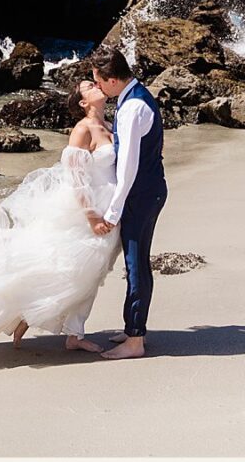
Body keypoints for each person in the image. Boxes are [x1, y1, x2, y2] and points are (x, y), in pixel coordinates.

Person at [0, 87, 120, 351]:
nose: (97, 87)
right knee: (65, 268)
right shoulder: (82, 130)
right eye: (89, 87)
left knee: (91, 273)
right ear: (84, 102)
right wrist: (91, 215)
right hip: (87, 212)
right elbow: (76, 180)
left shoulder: (110, 124)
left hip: (110, 208)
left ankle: (74, 333)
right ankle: (28, 313)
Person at [80, 45, 166, 360]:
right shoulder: (137, 95)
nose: (98, 88)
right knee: (136, 262)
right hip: (149, 189)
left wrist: (113, 212)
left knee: (136, 263)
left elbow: (128, 166)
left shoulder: (131, 109)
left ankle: (135, 341)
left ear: (112, 81)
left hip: (141, 194)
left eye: (99, 82)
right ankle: (132, 327)